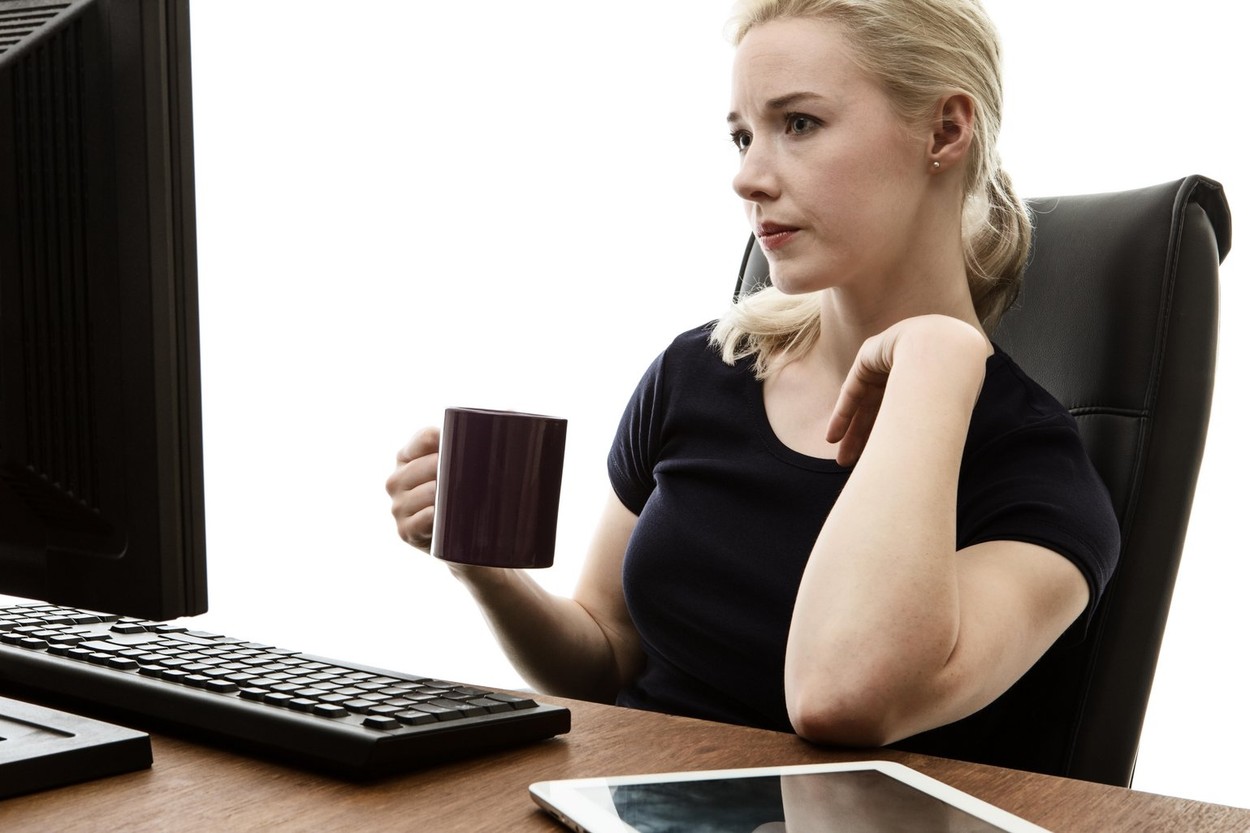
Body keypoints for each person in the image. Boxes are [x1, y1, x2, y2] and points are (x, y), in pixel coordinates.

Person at [385, 0, 1119, 762]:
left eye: (798, 123)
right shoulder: (699, 370)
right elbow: (607, 659)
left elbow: (841, 698)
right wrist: (488, 576)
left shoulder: (1041, 478)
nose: (748, 177)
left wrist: (938, 359)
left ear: (944, 131)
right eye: (742, 136)